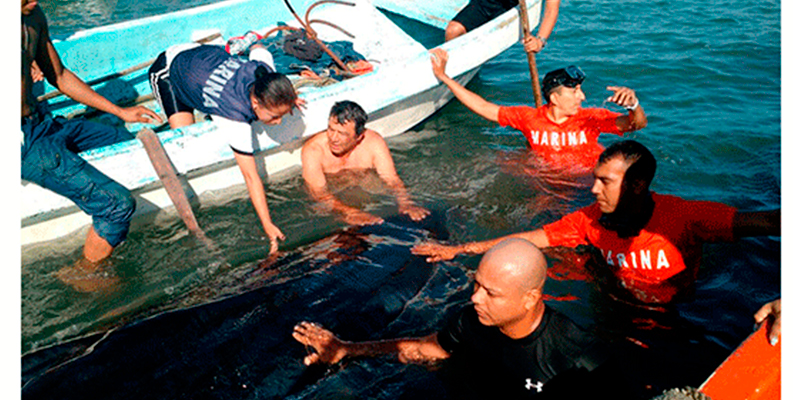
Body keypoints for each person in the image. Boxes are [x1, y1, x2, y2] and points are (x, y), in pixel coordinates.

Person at [412, 140, 780, 305]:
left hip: (680, 313)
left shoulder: (685, 216)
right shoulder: (589, 219)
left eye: (605, 181)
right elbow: (531, 239)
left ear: (637, 185)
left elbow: (767, 222)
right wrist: (459, 249)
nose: (592, 189)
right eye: (595, 178)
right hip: (613, 304)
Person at [293, 238, 612, 398]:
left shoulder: (579, 357)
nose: (475, 298)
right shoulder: (471, 320)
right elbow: (426, 349)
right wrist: (347, 349)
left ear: (530, 298)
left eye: (492, 293)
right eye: (477, 284)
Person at [21, 1, 162, 267]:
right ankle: (85, 276)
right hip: (20, 143)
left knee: (121, 139)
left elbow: (60, 76)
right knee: (117, 205)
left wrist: (121, 112)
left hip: (41, 123)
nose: (36, 1)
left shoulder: (34, 16)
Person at [148, 42, 303, 254]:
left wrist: (289, 99)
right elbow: (250, 176)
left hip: (205, 57)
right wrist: (267, 224)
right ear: (255, 103)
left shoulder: (264, 72)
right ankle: (196, 101)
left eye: (282, 115)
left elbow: (258, 45)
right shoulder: (233, 118)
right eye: (274, 116)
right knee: (185, 139)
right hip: (171, 68)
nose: (278, 122)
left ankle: (206, 100)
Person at [430, 48, 647, 172]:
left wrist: (633, 105)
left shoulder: (589, 118)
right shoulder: (530, 118)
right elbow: (483, 107)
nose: (583, 97)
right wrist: (444, 78)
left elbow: (636, 124)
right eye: (575, 92)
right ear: (554, 98)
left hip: (588, 184)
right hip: (548, 184)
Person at [301, 101, 429, 225]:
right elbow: (318, 193)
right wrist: (350, 212)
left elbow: (390, 178)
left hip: (370, 200)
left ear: (359, 136)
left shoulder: (373, 142)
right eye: (331, 129)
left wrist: (405, 202)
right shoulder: (313, 150)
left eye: (342, 134)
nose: (334, 138)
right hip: (333, 208)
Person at [446, 0, 561, 53]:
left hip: (509, 8)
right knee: (453, 31)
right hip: (485, 2)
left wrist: (540, 41)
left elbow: (551, 10)